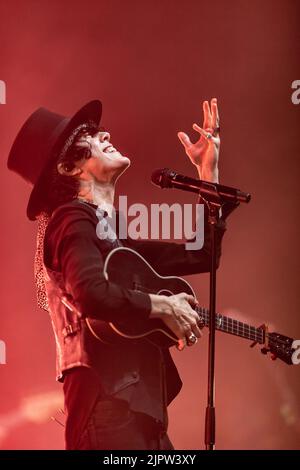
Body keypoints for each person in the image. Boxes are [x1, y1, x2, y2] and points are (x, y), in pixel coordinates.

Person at [7, 98, 234, 450]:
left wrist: (208, 176)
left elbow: (201, 253)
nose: (106, 134)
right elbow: (91, 293)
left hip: (139, 417)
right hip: (109, 415)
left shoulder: (111, 236)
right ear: (69, 168)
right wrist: (161, 306)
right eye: (91, 137)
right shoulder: (71, 219)